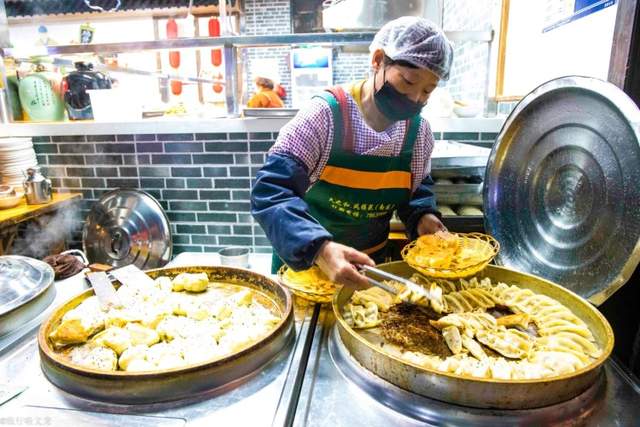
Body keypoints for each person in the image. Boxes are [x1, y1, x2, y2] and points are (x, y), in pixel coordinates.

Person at [251, 17, 453, 288]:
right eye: (408, 82)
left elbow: (415, 190)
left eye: (428, 90)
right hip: (307, 270)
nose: (416, 98)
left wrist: (423, 217)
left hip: (372, 273)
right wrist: (320, 249)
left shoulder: (417, 134)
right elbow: (272, 193)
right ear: (378, 60)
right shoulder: (325, 116)